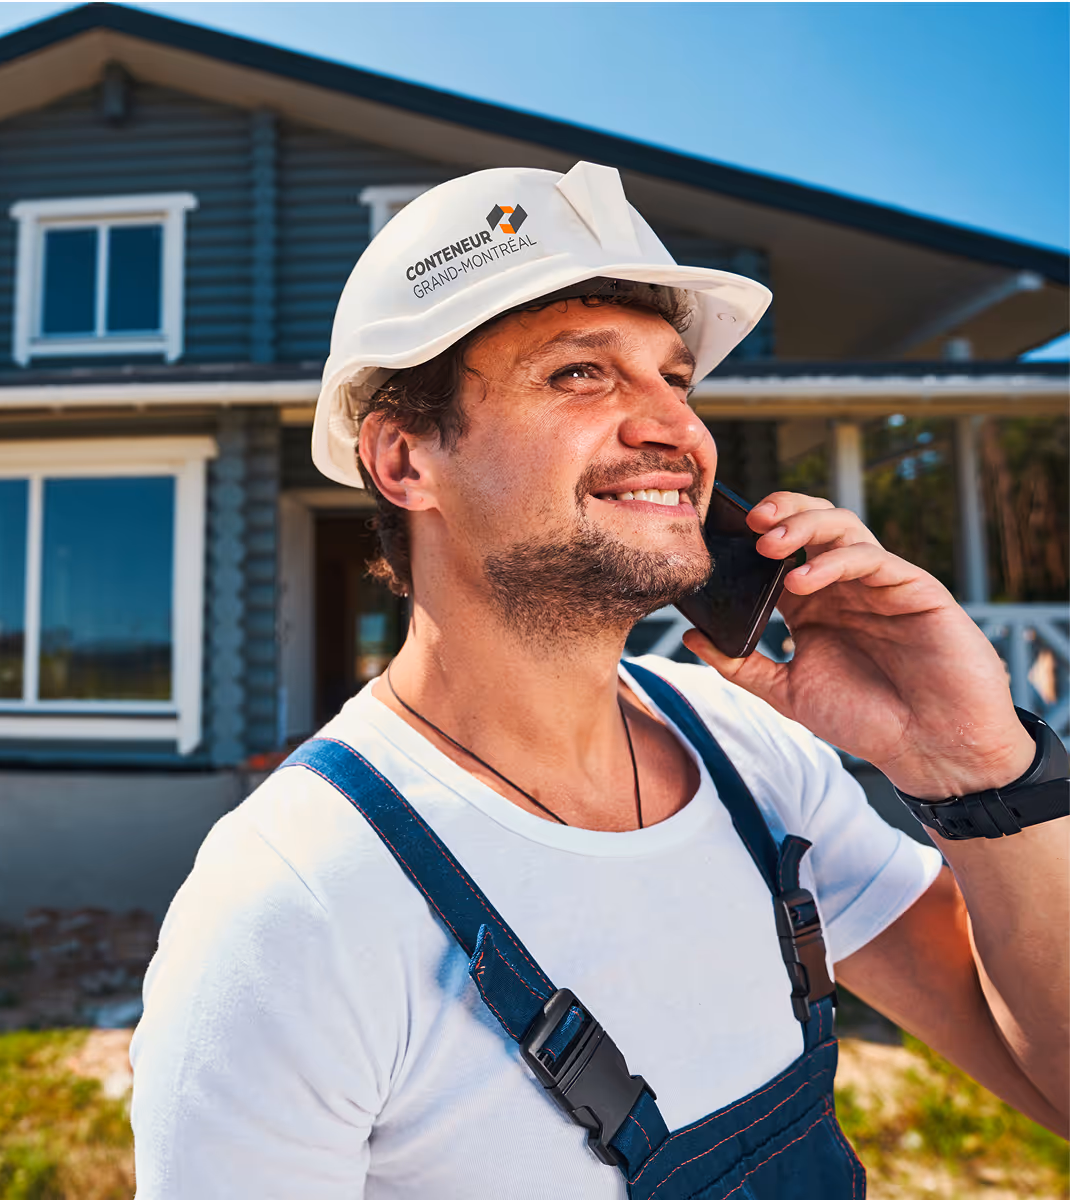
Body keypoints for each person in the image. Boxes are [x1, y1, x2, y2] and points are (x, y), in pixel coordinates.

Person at [129, 164, 1069, 1198]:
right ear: (404, 460)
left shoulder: (750, 754)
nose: (675, 428)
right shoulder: (293, 906)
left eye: (676, 379)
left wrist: (975, 768)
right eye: (581, 373)